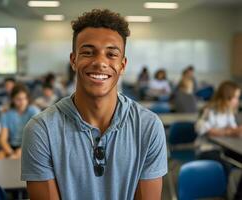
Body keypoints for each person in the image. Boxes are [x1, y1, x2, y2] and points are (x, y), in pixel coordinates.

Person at [21, 9, 167, 200]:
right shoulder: (41, 130)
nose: (100, 62)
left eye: (111, 54)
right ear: (73, 60)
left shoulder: (148, 127)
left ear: (122, 65)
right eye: (88, 52)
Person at [0, 84, 39, 159]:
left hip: (29, 145)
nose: (22, 102)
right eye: (18, 99)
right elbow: (3, 139)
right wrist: (11, 153)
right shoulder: (6, 115)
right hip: (12, 146)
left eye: (24, 98)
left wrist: (23, 150)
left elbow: (36, 137)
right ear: (13, 99)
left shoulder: (34, 111)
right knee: (0, 155)